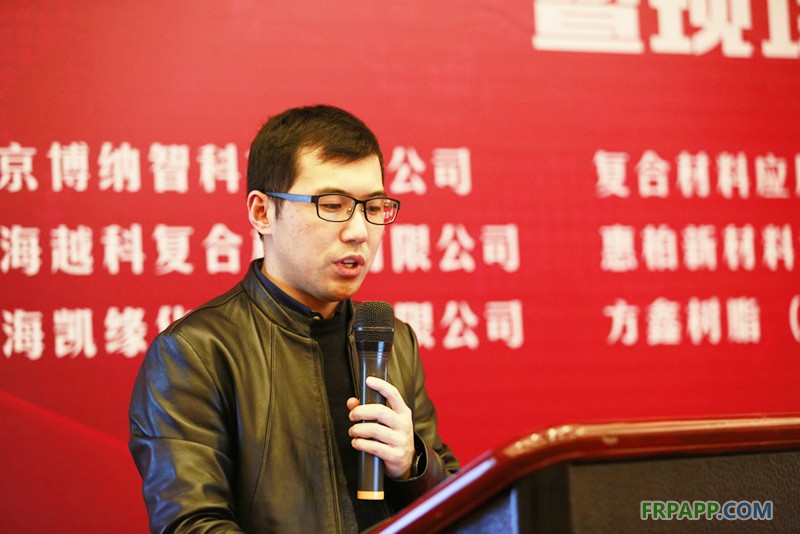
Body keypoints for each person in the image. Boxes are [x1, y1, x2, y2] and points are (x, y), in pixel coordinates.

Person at [128, 104, 460, 533]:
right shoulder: (196, 353)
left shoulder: (391, 339)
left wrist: (414, 464)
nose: (359, 231)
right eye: (333, 205)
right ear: (262, 212)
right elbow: (191, 524)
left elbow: (458, 501)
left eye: (374, 206)